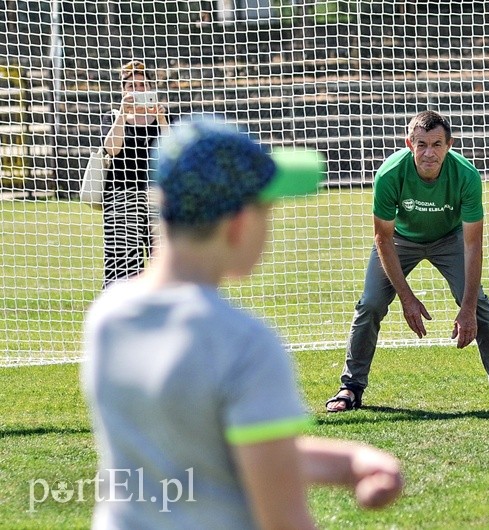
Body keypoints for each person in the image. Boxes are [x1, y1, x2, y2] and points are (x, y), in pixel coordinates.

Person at [81, 119, 404, 529]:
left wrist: (347, 463)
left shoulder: (110, 316)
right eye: (266, 209)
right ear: (237, 223)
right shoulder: (243, 343)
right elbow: (284, 519)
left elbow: (206, 450)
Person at [325, 110, 489, 412]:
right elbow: (382, 238)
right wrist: (407, 298)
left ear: (449, 145)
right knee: (370, 303)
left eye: (436, 144)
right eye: (421, 144)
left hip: (450, 238)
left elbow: (473, 243)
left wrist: (468, 308)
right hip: (399, 241)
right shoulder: (390, 174)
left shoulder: (466, 176)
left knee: (478, 303)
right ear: (410, 144)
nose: (429, 153)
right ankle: (350, 387)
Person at [98, 59, 170, 287]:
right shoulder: (113, 117)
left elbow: (173, 150)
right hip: (122, 198)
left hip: (156, 198)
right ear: (123, 90)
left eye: (142, 85)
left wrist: (160, 118)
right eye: (131, 86)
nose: (137, 90)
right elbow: (111, 148)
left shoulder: (161, 118)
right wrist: (122, 114)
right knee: (123, 264)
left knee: (165, 259)